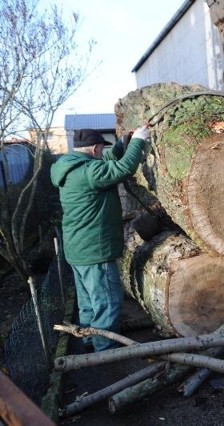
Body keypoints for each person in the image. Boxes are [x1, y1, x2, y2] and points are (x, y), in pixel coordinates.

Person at [50, 127, 149, 352]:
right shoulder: (90, 172)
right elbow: (122, 169)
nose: (102, 153)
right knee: (107, 302)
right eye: (101, 149)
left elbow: (106, 163)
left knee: (88, 303)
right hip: (96, 250)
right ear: (94, 148)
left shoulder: (69, 166)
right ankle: (105, 351)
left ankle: (88, 340)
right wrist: (139, 142)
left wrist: (122, 144)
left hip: (78, 249)